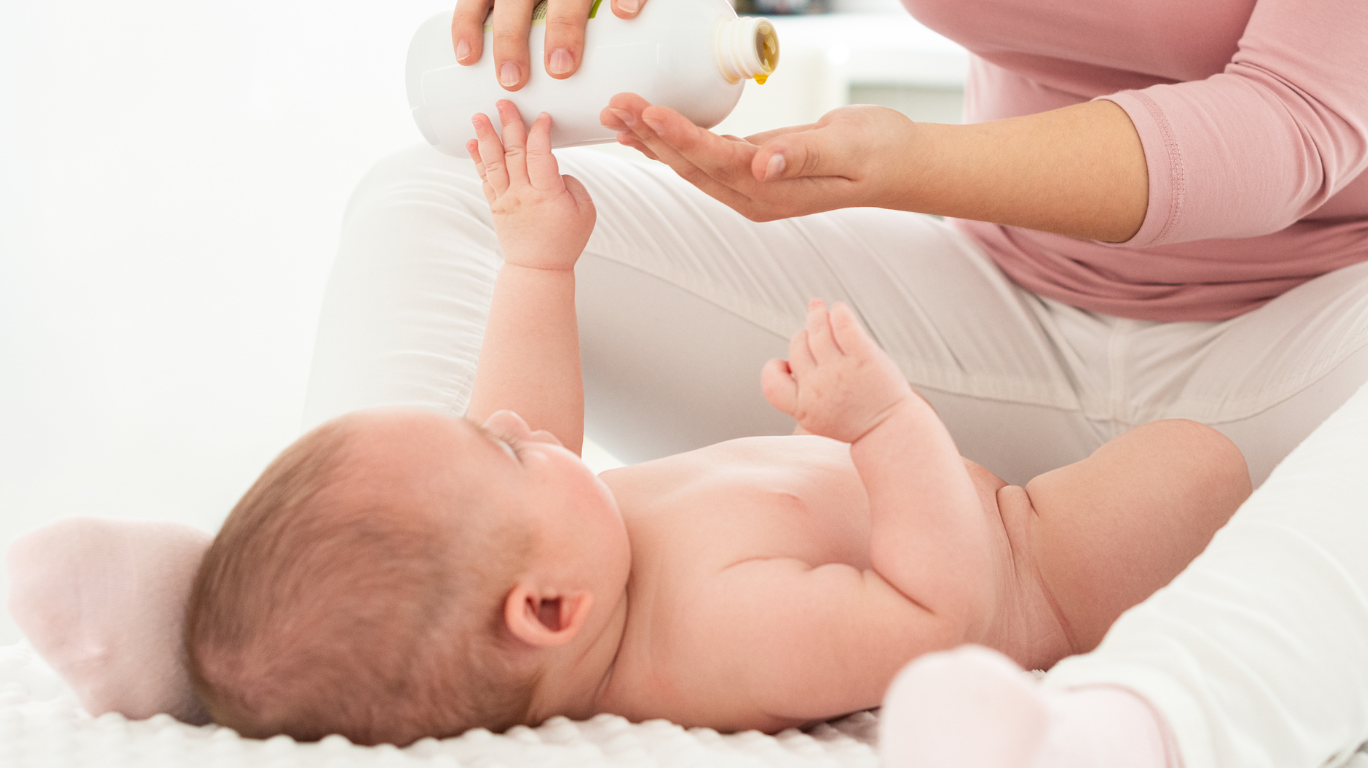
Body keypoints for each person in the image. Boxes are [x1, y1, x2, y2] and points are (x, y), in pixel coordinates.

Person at [304, 0, 1368, 765]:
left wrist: (911, 166)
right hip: (980, 328)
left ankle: (1131, 729)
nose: (514, 432)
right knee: (444, 193)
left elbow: (1289, 125)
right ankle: (305, 613)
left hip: (1307, 358)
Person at [185, 109, 1249, 746]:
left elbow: (529, 420)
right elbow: (940, 611)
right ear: (548, 608)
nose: (512, 420)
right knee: (1211, 467)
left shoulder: (575, 556)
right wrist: (881, 426)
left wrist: (537, 265)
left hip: (984, 487)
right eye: (501, 450)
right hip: (1036, 556)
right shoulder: (713, 640)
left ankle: (184, 614)